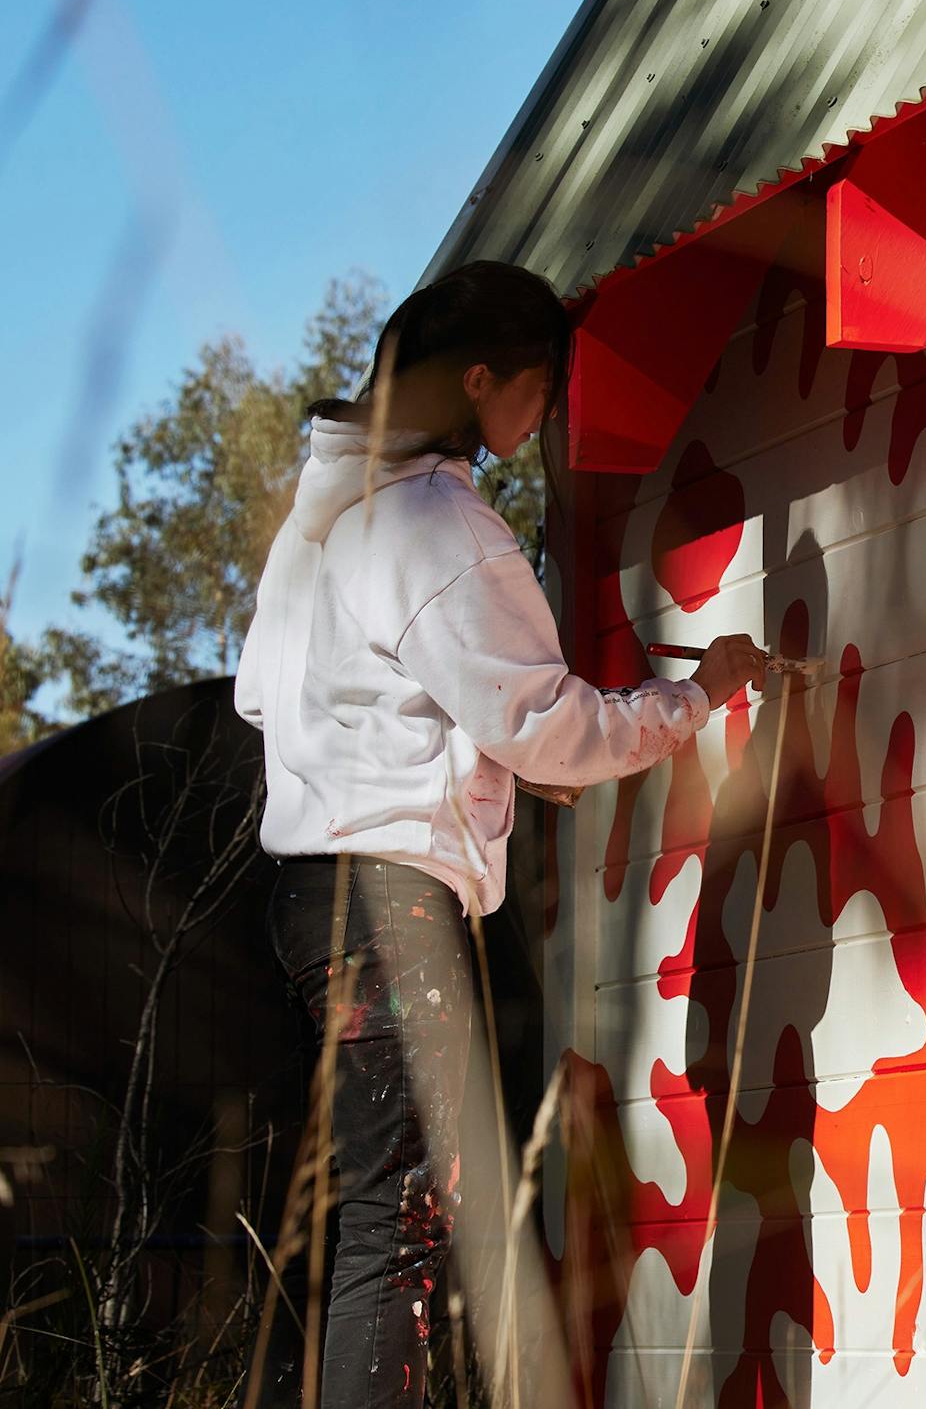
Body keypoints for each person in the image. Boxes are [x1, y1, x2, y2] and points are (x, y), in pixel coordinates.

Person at [233, 260, 764, 1408]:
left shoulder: (320, 518)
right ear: (480, 381)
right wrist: (697, 698)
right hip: (391, 905)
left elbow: (269, 702)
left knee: (353, 1214)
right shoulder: (436, 521)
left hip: (306, 902)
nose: (546, 414)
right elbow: (548, 725)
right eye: (539, 389)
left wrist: (479, 757)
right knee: (405, 1220)